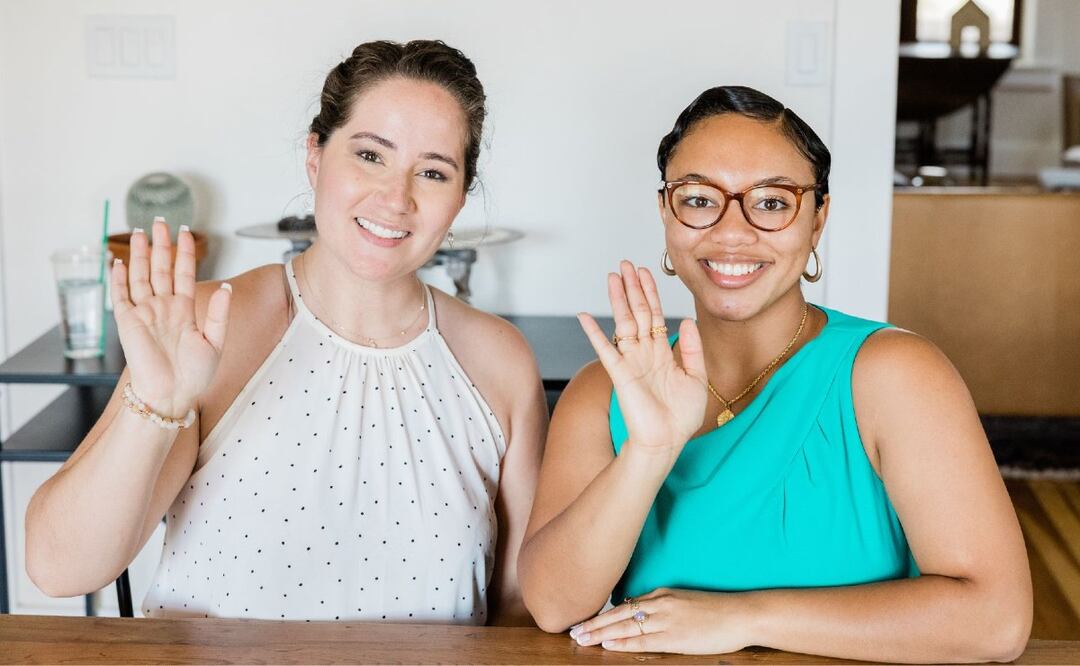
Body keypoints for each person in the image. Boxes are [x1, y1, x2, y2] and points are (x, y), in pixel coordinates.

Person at [25, 39, 546, 625]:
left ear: (459, 199)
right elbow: (58, 568)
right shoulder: (211, 327)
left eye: (432, 171)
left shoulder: (500, 363)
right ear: (316, 158)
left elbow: (520, 609)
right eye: (371, 155)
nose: (396, 198)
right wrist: (154, 405)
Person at [517, 86, 1031, 661]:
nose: (732, 231)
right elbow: (553, 604)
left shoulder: (895, 375)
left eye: (771, 202)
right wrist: (649, 452)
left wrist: (742, 619)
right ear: (667, 213)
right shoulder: (603, 389)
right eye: (698, 199)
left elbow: (996, 621)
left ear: (817, 220)